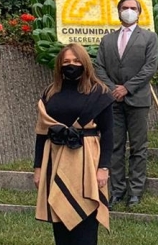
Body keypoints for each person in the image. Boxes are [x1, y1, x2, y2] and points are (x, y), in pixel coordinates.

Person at [34, 43, 114, 245]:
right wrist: (37, 168)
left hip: (86, 162)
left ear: (85, 63)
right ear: (59, 65)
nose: (72, 65)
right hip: (55, 160)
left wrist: (103, 167)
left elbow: (108, 132)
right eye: (67, 61)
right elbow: (42, 133)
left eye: (76, 61)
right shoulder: (50, 93)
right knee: (60, 227)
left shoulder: (99, 93)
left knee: (85, 227)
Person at [94, 0, 158, 208]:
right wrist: (113, 89)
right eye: (125, 7)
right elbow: (99, 67)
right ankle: (117, 190)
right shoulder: (108, 40)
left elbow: (150, 67)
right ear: (118, 11)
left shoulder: (149, 38)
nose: (128, 11)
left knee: (138, 147)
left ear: (139, 12)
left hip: (138, 100)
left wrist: (127, 88)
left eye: (132, 8)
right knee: (114, 146)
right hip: (113, 101)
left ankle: (136, 192)